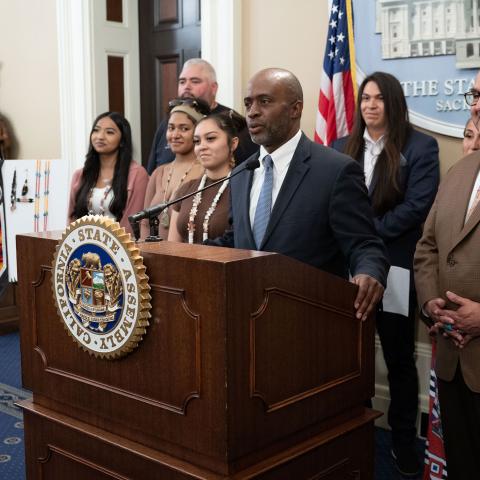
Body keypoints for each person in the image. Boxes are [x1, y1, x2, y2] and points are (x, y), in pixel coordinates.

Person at [209, 68, 389, 322]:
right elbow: (236, 239)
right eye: (248, 103)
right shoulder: (241, 173)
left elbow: (365, 244)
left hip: (309, 321)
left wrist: (370, 272)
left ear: (295, 109)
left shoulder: (335, 170)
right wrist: (184, 255)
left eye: (265, 101)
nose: (252, 112)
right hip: (248, 318)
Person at [332, 71, 440, 478]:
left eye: (378, 98)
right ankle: (346, 430)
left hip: (394, 267)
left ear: (392, 103)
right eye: (364, 98)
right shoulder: (342, 147)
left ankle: (401, 441)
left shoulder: (422, 147)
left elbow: (418, 207)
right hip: (346, 266)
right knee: (346, 354)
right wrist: (352, 240)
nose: (370, 105)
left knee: (397, 356)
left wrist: (364, 235)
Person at [414, 70, 480, 480]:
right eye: (474, 94)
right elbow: (428, 246)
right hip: (454, 358)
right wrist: (430, 302)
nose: (474, 105)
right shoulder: (462, 169)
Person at [147, 58, 258, 174]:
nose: (187, 86)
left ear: (214, 88)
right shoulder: (168, 123)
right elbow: (152, 169)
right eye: (182, 82)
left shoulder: (232, 123)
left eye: (195, 81)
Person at [68, 111, 148, 236]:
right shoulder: (80, 175)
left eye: (109, 132)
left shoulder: (137, 174)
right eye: (96, 130)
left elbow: (132, 224)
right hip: (83, 249)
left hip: (120, 249)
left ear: (122, 140)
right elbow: (71, 220)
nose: (100, 136)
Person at [167, 111, 242, 244]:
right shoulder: (187, 189)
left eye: (210, 138)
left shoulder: (244, 189)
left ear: (233, 143)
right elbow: (172, 246)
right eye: (197, 141)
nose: (202, 147)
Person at [141, 98, 209, 240]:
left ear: (197, 132)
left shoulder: (206, 172)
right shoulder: (159, 173)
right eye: (171, 128)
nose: (175, 135)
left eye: (184, 129)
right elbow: (145, 223)